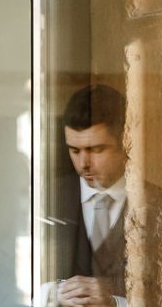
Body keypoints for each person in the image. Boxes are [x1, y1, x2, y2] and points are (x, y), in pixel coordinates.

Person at [48, 84, 128, 307]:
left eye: (97, 149)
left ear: (125, 141)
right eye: (74, 150)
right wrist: (53, 295)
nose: (83, 164)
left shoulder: (157, 204)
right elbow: (2, 276)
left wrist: (117, 303)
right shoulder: (45, 199)